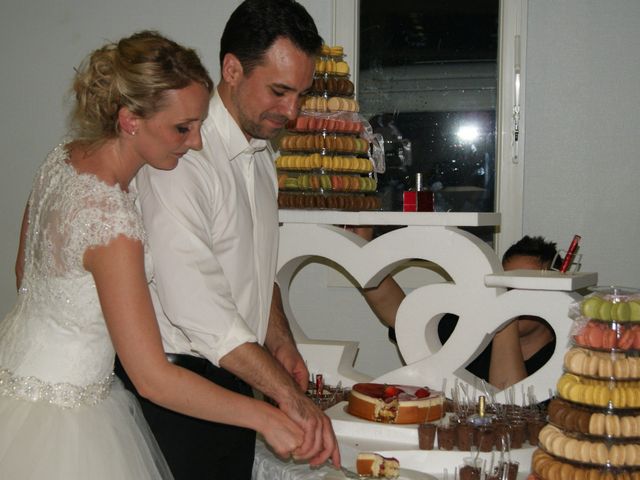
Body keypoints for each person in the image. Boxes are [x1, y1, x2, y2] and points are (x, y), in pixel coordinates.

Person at [0, 31, 306, 480]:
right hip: (67, 422)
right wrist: (266, 417)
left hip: (14, 384)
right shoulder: (113, 223)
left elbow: (25, 273)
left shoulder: (61, 161)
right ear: (129, 121)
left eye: (200, 124)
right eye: (182, 127)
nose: (197, 142)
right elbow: (153, 380)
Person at [116, 2, 340, 478]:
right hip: (176, 398)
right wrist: (286, 393)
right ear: (232, 69)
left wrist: (277, 337)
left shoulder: (261, 152)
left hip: (236, 381)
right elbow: (198, 307)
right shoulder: (179, 157)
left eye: (301, 94)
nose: (292, 112)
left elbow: (254, 268)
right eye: (279, 91)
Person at [350, 227, 557, 389]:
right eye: (506, 284)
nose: (510, 294)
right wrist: (360, 249)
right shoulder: (472, 331)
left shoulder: (566, 360)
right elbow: (400, 315)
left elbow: (510, 406)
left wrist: (506, 319)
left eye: (524, 287)